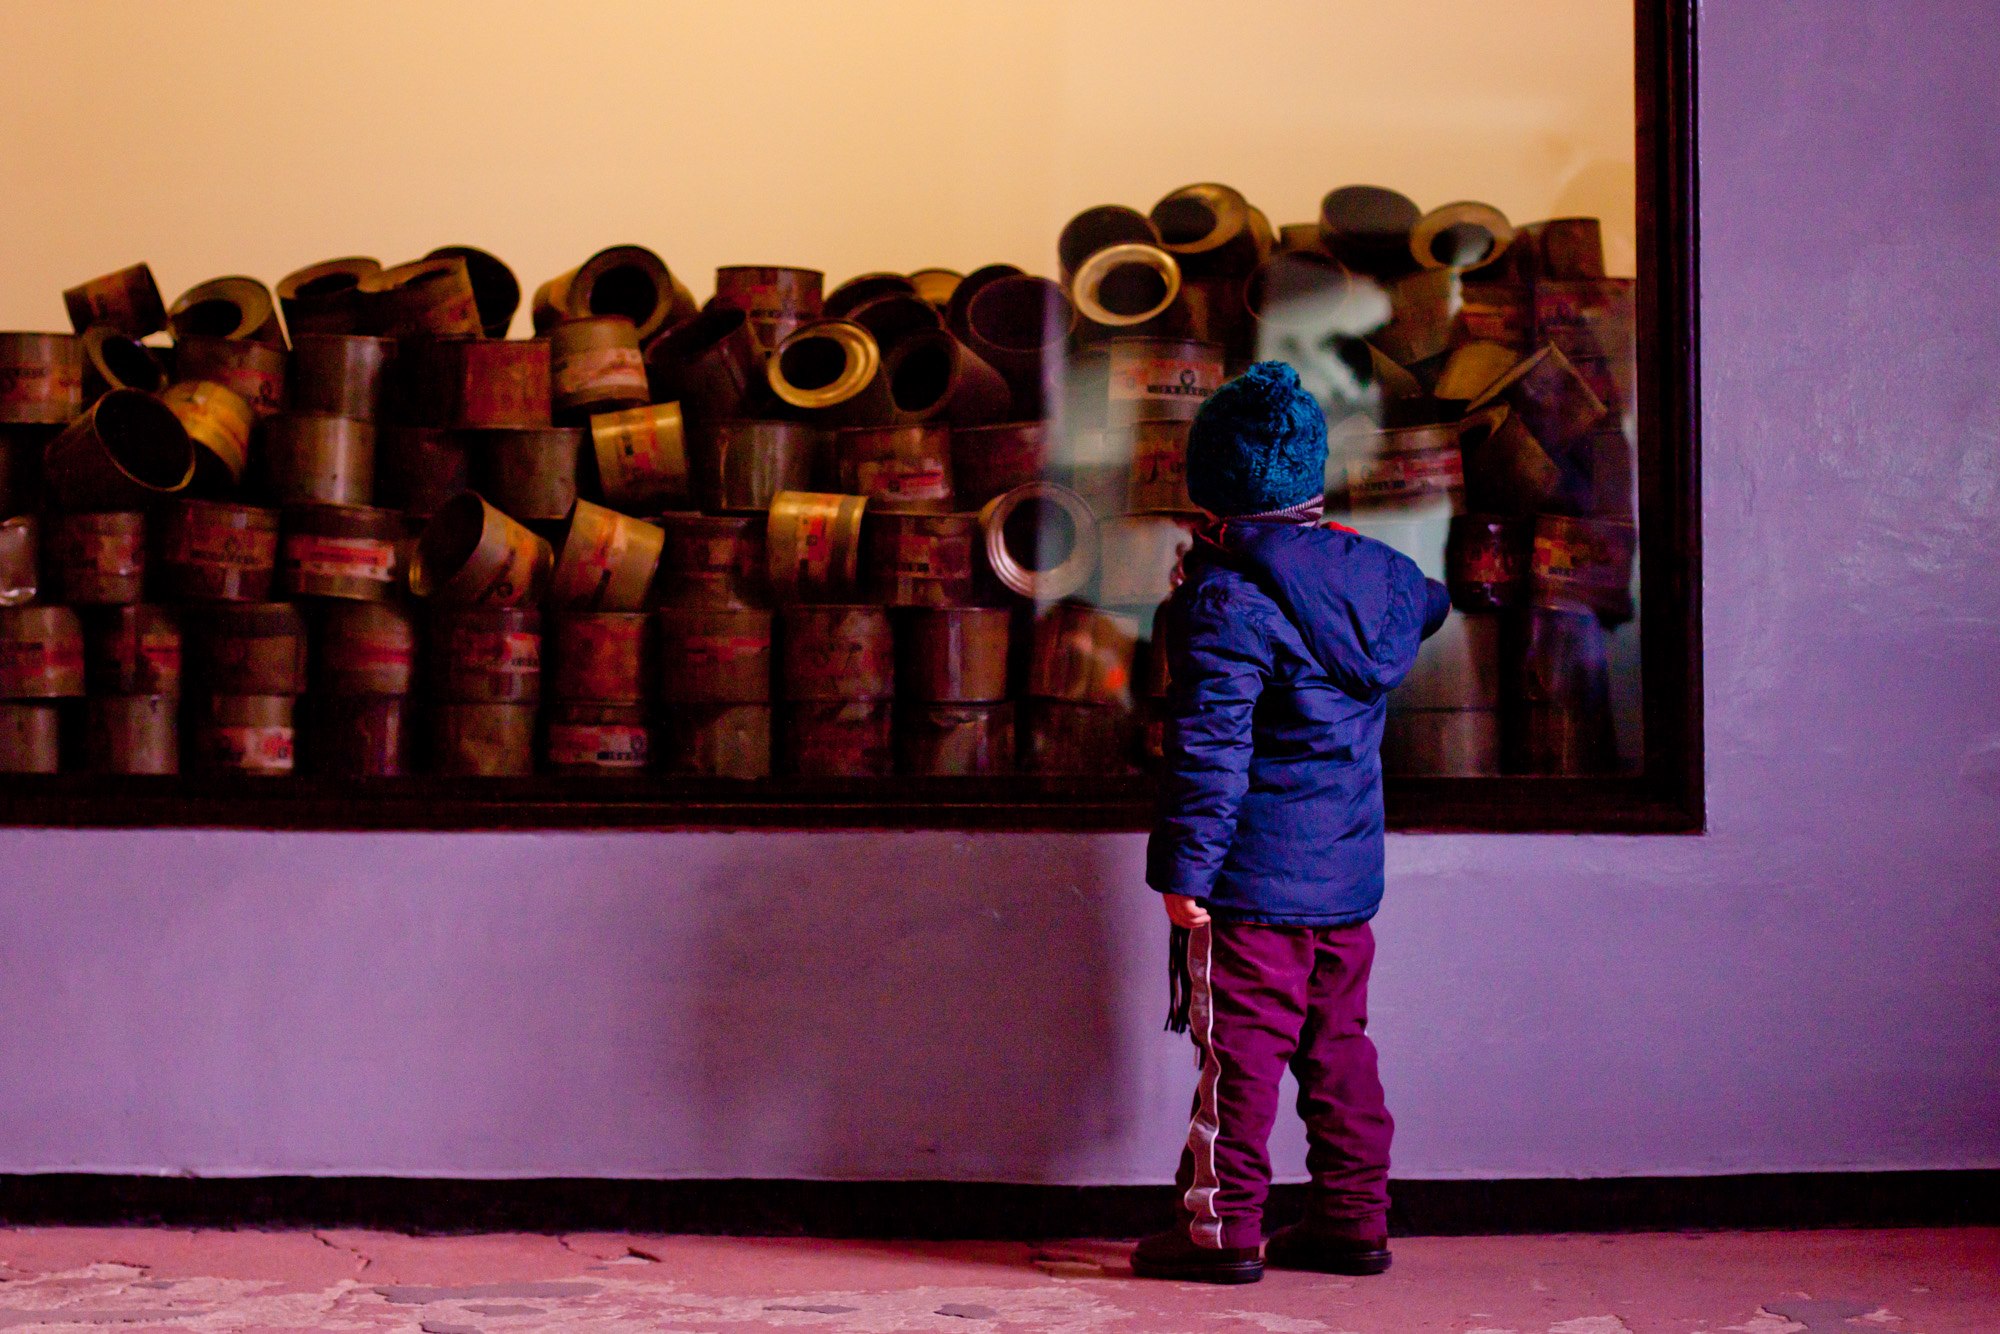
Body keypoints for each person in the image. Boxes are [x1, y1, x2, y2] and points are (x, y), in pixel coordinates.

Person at [1130, 361, 1451, 1285]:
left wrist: (1184, 873)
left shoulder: (1225, 601)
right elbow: (1427, 602)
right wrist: (1331, 548)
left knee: (1240, 1063)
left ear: (1212, 492)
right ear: (1312, 482)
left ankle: (1222, 1233)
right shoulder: (1380, 577)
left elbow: (1211, 752)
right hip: (1345, 886)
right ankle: (1355, 1219)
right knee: (1339, 1050)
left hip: (1253, 888)